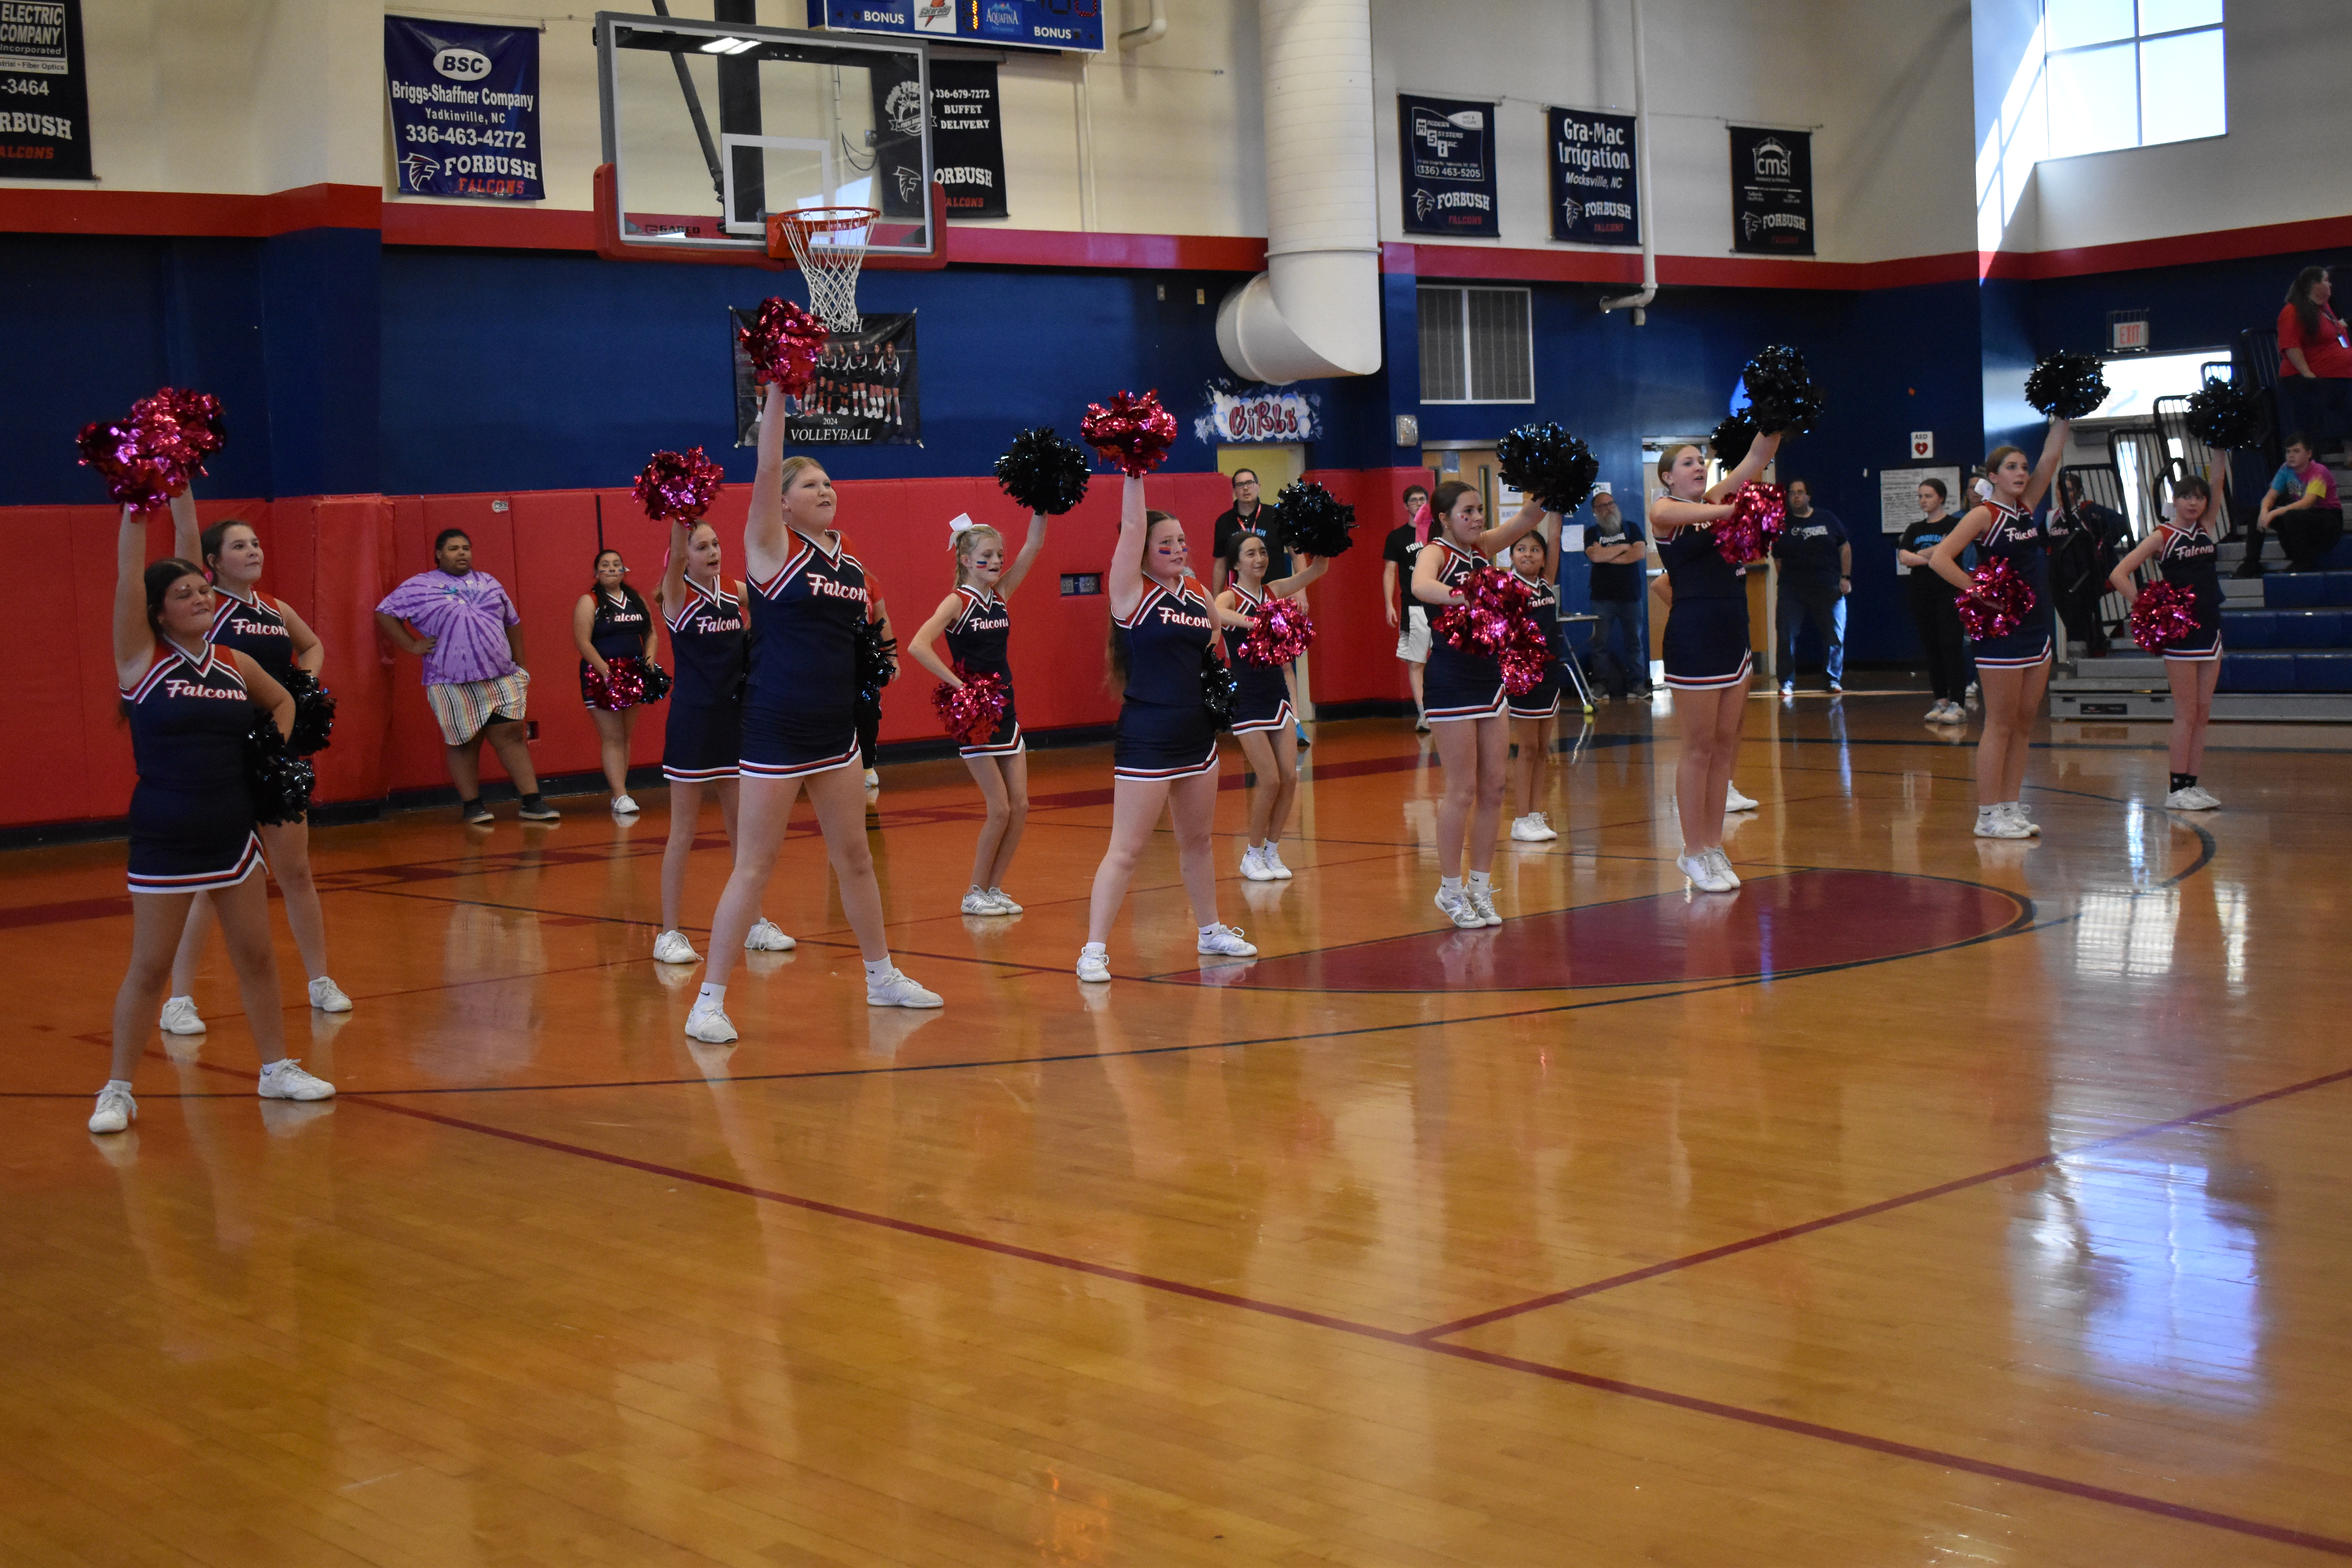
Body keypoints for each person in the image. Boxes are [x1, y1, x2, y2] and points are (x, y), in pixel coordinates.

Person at [683, 388, 942, 1040]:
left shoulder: (848, 559)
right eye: (812, 483)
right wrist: (775, 393)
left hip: (837, 730)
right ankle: (708, 1001)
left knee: (855, 858)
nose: (826, 489)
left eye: (830, 482)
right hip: (775, 727)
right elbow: (767, 466)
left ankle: (881, 975)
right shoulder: (770, 548)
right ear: (784, 502)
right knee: (754, 865)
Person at [89, 503, 335, 1135]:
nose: (200, 598)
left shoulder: (232, 663)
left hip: (233, 830)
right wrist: (140, 506)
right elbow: (126, 576)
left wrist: (272, 763)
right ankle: (118, 1090)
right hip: (167, 834)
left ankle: (277, 1068)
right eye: (184, 593)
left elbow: (282, 701)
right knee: (149, 968)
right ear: (158, 611)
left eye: (203, 589)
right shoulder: (140, 663)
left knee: (256, 955)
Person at [156, 495, 351, 1034]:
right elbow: (184, 544)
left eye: (256, 542)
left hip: (277, 753)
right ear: (213, 563)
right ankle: (180, 1000)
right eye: (240, 545)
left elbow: (311, 648)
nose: (254, 550)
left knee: (296, 872)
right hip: (222, 757)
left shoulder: (275, 609)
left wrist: (304, 686)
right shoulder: (204, 606)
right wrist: (182, 490)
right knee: (209, 882)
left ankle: (319, 980)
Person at [1077, 477, 1259, 982]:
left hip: (1197, 733)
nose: (1178, 549)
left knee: (1198, 841)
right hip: (1148, 734)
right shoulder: (1130, 592)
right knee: (1128, 849)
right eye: (1166, 544)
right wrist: (1134, 470)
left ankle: (1210, 930)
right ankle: (1093, 949)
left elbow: (1213, 634)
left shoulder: (1196, 588)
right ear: (1141, 553)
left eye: (1182, 542)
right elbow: (1134, 523)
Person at [649, 516, 794, 967]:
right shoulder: (678, 597)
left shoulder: (733, 590)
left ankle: (754, 922)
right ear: (684, 555)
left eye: (716, 544)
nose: (713, 552)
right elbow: (673, 559)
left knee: (744, 832)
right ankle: (669, 934)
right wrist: (679, 511)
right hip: (693, 724)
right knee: (683, 833)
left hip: (736, 722)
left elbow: (776, 599)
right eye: (702, 547)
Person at [1413, 479, 1551, 927]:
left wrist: (1551, 483)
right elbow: (1421, 586)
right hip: (1450, 678)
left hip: (1489, 677)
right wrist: (1464, 595)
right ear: (1445, 518)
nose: (1475, 518)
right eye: (1466, 512)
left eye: (1478, 511)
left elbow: (1529, 517)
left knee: (1495, 787)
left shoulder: (1483, 549)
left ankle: (1479, 887)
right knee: (1463, 790)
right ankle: (1449, 890)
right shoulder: (1437, 551)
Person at [1652, 427, 1782, 891]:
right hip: (1694, 639)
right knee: (1699, 747)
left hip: (1735, 635)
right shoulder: (1669, 513)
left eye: (1701, 460)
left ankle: (1711, 845)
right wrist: (1737, 510)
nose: (1698, 466)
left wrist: (1775, 421)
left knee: (1726, 746)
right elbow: (1661, 511)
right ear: (1668, 475)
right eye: (1687, 462)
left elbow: (1758, 456)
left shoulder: (1715, 499)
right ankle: (1692, 851)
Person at [1929, 417, 2071, 840]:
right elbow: (1940, 559)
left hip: (2035, 626)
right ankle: (1988, 814)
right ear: (1992, 477)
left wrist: (2062, 417)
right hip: (2001, 631)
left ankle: (2010, 806)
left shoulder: (2026, 508)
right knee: (2001, 723)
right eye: (2012, 467)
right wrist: (1981, 592)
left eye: (2023, 466)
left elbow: (2051, 456)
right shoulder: (1982, 515)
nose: (2022, 472)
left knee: (2025, 723)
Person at [906, 510, 1050, 915]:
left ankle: (995, 888)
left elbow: (1034, 546)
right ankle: (973, 892)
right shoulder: (958, 601)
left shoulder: (1000, 593)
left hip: (1007, 707)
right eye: (986, 556)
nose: (997, 562)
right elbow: (918, 644)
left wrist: (1041, 507)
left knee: (1020, 807)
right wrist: (960, 686)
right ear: (966, 560)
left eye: (999, 555)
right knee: (999, 807)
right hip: (975, 715)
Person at [374, 529, 559, 825]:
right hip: (449, 680)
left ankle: (531, 801)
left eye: (465, 548)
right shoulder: (420, 586)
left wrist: (521, 667)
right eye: (453, 549)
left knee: (511, 736)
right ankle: (473, 805)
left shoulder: (490, 583)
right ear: (438, 554)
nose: (461, 553)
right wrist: (412, 645)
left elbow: (512, 623)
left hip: (501, 675)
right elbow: (385, 613)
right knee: (464, 742)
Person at [2111, 465, 2227, 811]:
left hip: (2211, 625)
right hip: (2181, 631)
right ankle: (2176, 790)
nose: (2194, 503)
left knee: (2203, 712)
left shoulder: (2206, 528)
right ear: (2174, 501)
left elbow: (2219, 482)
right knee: (2186, 712)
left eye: (2200, 497)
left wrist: (2220, 449)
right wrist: (2145, 606)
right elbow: (2119, 573)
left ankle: (2192, 785)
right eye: (2187, 497)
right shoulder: (2162, 536)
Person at [1214, 532, 1329, 880]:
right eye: (1251, 554)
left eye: (1263, 552)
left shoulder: (1274, 590)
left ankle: (1273, 852)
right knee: (1269, 780)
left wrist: (1322, 538)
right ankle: (1250, 855)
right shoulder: (1230, 596)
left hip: (1277, 692)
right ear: (1236, 563)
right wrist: (1256, 622)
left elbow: (1318, 570)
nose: (1260, 559)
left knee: (1289, 778)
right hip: (1246, 695)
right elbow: (1217, 614)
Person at [572, 548, 658, 816]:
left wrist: (649, 662)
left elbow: (651, 632)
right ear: (597, 572)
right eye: (605, 565)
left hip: (633, 672)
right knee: (612, 737)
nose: (611, 569)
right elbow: (583, 642)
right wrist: (606, 672)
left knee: (625, 736)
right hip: (601, 675)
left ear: (624, 570)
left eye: (617, 564)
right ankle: (620, 795)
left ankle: (621, 792)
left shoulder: (635, 599)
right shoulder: (590, 601)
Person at [1499, 521, 1564, 842]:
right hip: (1522, 673)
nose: (1529, 554)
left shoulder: (1546, 583)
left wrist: (1556, 502)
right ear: (1510, 555)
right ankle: (1521, 818)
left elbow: (1555, 535)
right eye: (1521, 549)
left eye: (1535, 550)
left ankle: (1536, 814)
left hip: (1551, 672)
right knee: (1526, 748)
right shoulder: (1507, 587)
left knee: (1542, 748)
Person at [1896, 478, 1969, 724]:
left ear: (1941, 498)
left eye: (1928, 496)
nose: (1923, 501)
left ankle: (1958, 703)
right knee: (1933, 649)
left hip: (1949, 593)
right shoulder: (1915, 528)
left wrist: (1925, 555)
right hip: (1921, 595)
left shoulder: (1955, 524)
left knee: (1951, 646)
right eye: (1920, 496)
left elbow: (1952, 551)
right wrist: (1937, 553)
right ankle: (1941, 701)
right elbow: (1904, 558)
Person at [1771, 479, 1849, 694]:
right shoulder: (1781, 523)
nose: (1796, 496)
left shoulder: (1827, 519)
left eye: (1800, 492)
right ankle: (1786, 683)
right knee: (1786, 636)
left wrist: (1845, 577)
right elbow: (1778, 559)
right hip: (1792, 589)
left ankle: (1832, 680)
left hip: (1828, 586)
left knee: (1835, 635)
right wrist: (1790, 581)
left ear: (1809, 497)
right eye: (1792, 493)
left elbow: (1844, 547)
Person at [2044, 472, 2128, 656]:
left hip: (2084, 576)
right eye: (2060, 489)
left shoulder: (2089, 512)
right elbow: (2042, 541)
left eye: (2069, 490)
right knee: (2069, 618)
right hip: (2059, 578)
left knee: (2080, 618)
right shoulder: (2052, 517)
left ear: (2079, 492)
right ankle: (2089, 649)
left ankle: (2084, 655)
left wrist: (2103, 544)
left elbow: (2121, 523)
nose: (2063, 494)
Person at [2274, 265, 2352, 456]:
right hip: (2312, 381)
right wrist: (2307, 374)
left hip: (2340, 377)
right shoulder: (2292, 311)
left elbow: (2332, 334)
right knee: (2312, 427)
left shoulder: (2324, 310)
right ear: (2314, 285)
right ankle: (2313, 465)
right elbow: (2290, 345)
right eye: (2326, 280)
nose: (2330, 284)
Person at [1583, 486, 1650, 700]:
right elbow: (1595, 557)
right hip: (1602, 599)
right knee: (1600, 644)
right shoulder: (1592, 533)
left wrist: (1608, 554)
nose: (1608, 509)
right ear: (1595, 511)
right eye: (1602, 506)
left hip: (1631, 597)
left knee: (1635, 643)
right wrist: (1624, 548)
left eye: (1611, 504)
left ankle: (1637, 684)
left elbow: (1639, 553)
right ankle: (1601, 685)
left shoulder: (1632, 528)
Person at [2245, 433, 2343, 574]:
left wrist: (2274, 512)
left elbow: (2307, 503)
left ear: (2309, 454)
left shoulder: (2319, 472)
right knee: (2256, 513)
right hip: (2302, 516)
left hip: (2328, 519)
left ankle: (2303, 561)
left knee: (2293, 515)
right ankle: (2251, 564)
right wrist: (2264, 512)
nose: (2291, 456)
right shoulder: (2286, 469)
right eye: (2288, 452)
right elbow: (2271, 496)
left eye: (2296, 451)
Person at [1381, 482, 1433, 730]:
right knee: (1417, 662)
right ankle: (1424, 714)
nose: (1418, 503)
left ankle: (1445, 709)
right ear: (1406, 506)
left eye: (1422, 499)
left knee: (1447, 657)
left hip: (1441, 604)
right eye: (1414, 500)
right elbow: (1390, 572)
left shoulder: (1437, 532)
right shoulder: (1397, 537)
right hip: (1414, 607)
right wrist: (1389, 603)